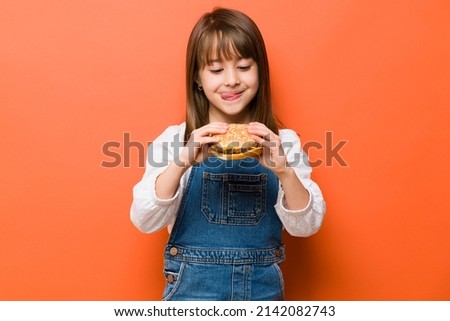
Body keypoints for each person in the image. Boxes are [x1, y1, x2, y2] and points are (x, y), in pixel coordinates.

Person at [131, 7, 325, 301]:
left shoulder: (283, 142)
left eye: (244, 67)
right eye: (217, 69)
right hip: (191, 294)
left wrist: (285, 170)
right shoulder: (176, 140)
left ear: (260, 71)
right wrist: (182, 161)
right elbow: (145, 220)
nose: (232, 80)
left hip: (262, 294)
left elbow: (306, 227)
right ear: (197, 78)